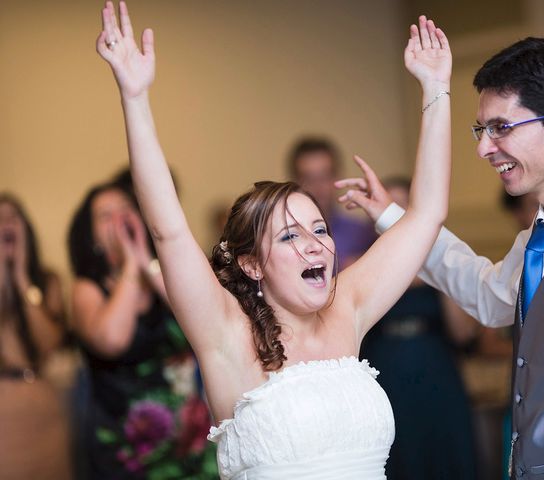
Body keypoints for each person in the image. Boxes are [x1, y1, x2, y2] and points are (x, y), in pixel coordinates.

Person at [96, 2, 451, 478]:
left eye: (320, 229)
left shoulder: (347, 310)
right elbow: (169, 229)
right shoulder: (225, 335)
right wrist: (134, 97)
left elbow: (426, 214)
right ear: (252, 264)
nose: (314, 244)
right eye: (289, 235)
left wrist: (436, 89)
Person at [337, 36, 544, 479]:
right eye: (482, 130)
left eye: (501, 127)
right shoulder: (539, 236)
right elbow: (486, 294)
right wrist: (395, 218)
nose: (483, 148)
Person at [68, 182, 216, 479]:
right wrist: (130, 268)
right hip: (128, 452)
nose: (119, 218)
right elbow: (112, 340)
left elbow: (201, 315)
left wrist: (143, 257)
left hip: (191, 442)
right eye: (105, 215)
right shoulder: (87, 288)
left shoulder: (160, 271)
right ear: (92, 236)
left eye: (125, 209)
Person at [361, 177, 477, 480]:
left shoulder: (442, 261)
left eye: (403, 209)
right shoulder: (363, 264)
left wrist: (436, 272)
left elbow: (464, 333)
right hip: (386, 370)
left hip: (435, 369)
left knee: (443, 452)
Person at [0, 193, 70, 479]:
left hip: (43, 406)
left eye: (12, 218)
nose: (5, 224)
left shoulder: (46, 281)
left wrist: (20, 277)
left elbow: (48, 343)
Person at [288, 137, 376, 269]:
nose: (318, 186)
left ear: (337, 177)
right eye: (309, 178)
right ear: (295, 182)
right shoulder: (285, 237)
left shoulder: (362, 233)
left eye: (325, 176)